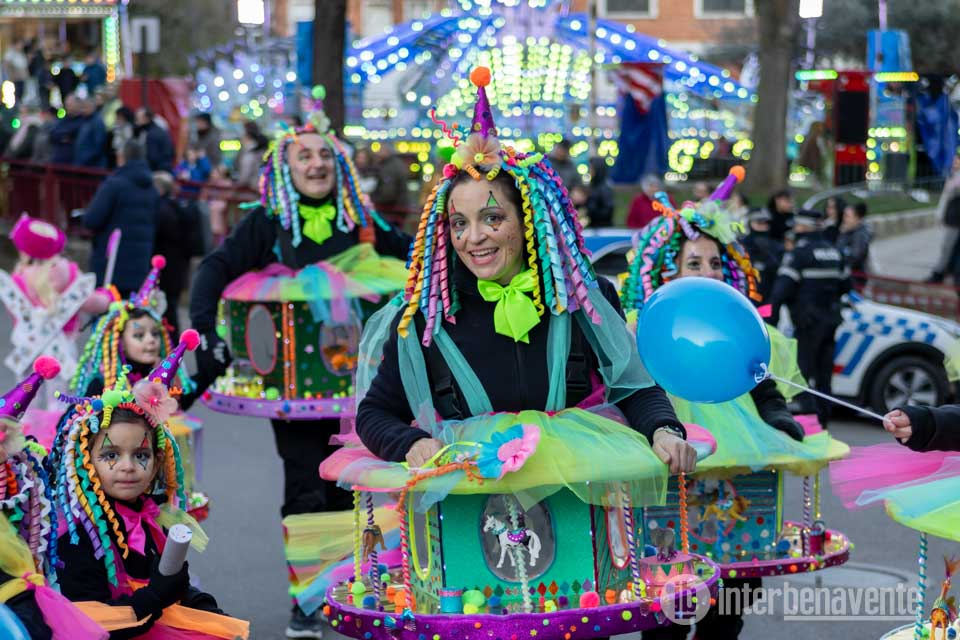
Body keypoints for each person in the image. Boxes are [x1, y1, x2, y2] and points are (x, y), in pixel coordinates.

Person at [355, 65, 694, 489]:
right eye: (459, 223)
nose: (473, 237)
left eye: (492, 217)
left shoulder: (583, 299)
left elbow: (634, 389)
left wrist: (663, 429)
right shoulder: (428, 314)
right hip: (468, 499)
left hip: (578, 490)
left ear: (528, 221)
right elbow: (374, 413)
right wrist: (409, 443)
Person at [188, 88, 412, 639]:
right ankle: (309, 602)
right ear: (284, 167)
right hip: (296, 394)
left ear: (339, 163)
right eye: (302, 155)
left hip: (366, 394)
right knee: (305, 488)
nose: (315, 163)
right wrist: (202, 331)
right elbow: (217, 267)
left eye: (323, 155)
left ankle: (357, 591)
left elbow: (417, 252)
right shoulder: (267, 223)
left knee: (363, 491)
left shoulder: (362, 219)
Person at [622, 187, 843, 640]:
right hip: (673, 454)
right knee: (665, 609)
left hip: (739, 453)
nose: (708, 273)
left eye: (715, 264)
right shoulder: (641, 328)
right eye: (694, 264)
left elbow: (761, 380)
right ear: (668, 270)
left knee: (731, 600)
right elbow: (633, 392)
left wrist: (777, 415)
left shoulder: (742, 325)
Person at [51, 339, 249, 639]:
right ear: (86, 461)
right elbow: (94, 626)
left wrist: (199, 603)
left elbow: (171, 582)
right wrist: (157, 595)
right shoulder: (78, 537)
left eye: (140, 455)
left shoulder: (149, 515)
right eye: (110, 455)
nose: (127, 466)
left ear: (157, 463)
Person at [769, 209, 850, 428]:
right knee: (824, 377)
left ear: (803, 227)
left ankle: (809, 422)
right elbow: (846, 285)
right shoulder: (835, 252)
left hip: (807, 323)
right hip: (831, 320)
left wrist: (771, 319)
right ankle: (823, 422)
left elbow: (782, 290)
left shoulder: (799, 254)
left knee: (801, 375)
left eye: (797, 226)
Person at [83, 139, 158, 297]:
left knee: (105, 315)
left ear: (121, 157)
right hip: (140, 264)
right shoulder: (151, 188)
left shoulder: (114, 185)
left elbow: (92, 219)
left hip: (111, 263)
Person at [153, 172, 198, 333]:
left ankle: (171, 346)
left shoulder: (161, 210)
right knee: (171, 308)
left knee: (166, 309)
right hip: (178, 268)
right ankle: (173, 345)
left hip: (165, 269)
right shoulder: (180, 208)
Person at [740, 208, 784, 303]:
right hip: (744, 298)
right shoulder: (740, 246)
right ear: (749, 224)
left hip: (768, 298)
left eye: (766, 223)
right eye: (759, 223)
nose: (763, 227)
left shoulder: (776, 247)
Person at [928, 154, 960, 283]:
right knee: (949, 248)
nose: (954, 164)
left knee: (948, 248)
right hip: (952, 219)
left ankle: (939, 274)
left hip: (955, 220)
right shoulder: (953, 177)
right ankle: (945, 273)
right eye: (954, 161)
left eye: (957, 162)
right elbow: (945, 199)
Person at [370, 141, 411, 223]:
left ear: (387, 151)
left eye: (380, 149)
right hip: (399, 208)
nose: (377, 153)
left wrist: (372, 200)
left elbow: (388, 192)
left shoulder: (389, 167)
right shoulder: (397, 163)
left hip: (391, 210)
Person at [836, 201, 872, 286]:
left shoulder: (860, 235)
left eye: (847, 216)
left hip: (855, 279)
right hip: (848, 277)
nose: (844, 219)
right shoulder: (848, 232)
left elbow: (854, 257)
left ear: (857, 218)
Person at [134, 107, 174, 172]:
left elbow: (152, 157)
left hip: (158, 171)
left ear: (146, 118)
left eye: (138, 119)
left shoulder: (151, 134)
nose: (136, 122)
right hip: (166, 168)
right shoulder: (159, 130)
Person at [232, 120, 268, 190]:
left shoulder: (250, 153)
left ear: (247, 135)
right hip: (261, 189)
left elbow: (244, 179)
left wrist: (234, 183)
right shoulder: (260, 149)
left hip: (254, 190)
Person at [49, 95, 84, 165]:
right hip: (57, 159)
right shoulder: (63, 119)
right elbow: (52, 134)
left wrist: (65, 135)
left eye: (70, 105)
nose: (67, 107)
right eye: (66, 105)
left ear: (78, 105)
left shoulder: (83, 120)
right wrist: (64, 136)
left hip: (73, 161)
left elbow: (74, 134)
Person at [73, 97, 107, 168]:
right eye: (82, 108)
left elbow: (98, 146)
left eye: (85, 107)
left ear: (92, 107)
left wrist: (84, 160)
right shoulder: (84, 120)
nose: (83, 110)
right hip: (81, 164)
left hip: (93, 166)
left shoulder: (97, 122)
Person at [586, 156, 614, 228]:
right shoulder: (593, 185)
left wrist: (590, 214)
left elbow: (608, 211)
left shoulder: (605, 188)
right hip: (593, 227)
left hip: (602, 228)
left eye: (591, 168)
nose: (589, 171)